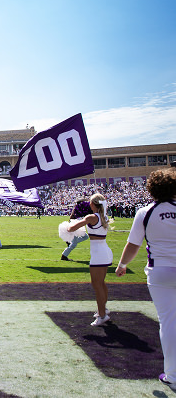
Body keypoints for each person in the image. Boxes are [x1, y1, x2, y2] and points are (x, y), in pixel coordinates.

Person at [115, 168, 176, 392]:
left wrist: (122, 265)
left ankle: (172, 375)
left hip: (160, 271)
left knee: (168, 322)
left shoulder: (145, 212)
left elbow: (133, 245)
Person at [68, 193, 112, 326]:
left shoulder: (91, 217)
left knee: (96, 285)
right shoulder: (103, 216)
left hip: (98, 254)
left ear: (93, 204)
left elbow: (71, 228)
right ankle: (103, 309)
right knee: (101, 283)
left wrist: (67, 226)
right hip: (104, 251)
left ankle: (102, 315)